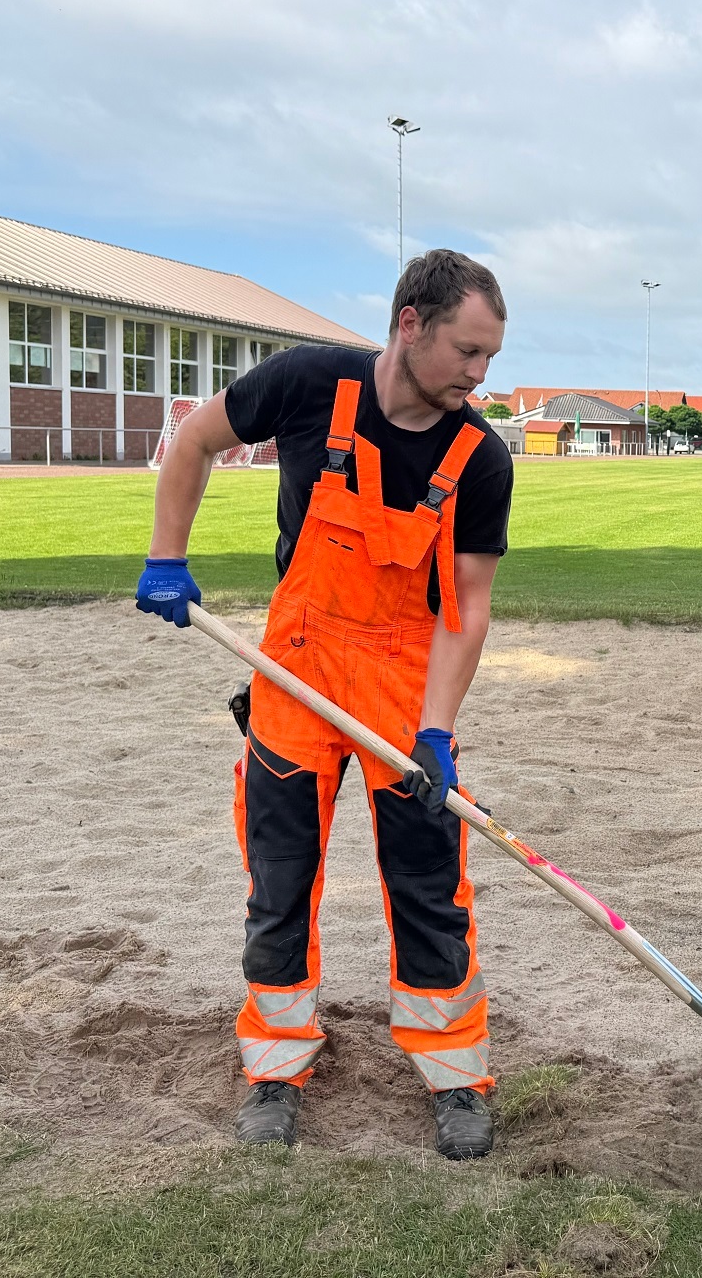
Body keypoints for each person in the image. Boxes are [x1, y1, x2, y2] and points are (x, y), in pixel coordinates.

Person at [136, 249, 514, 1159]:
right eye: (468, 351)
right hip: (296, 670)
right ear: (410, 324)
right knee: (282, 877)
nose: (479, 375)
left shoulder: (480, 458)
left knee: (429, 885)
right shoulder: (310, 384)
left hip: (400, 677)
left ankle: (454, 1077)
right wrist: (167, 556)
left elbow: (467, 608)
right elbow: (193, 438)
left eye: (491, 358)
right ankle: (275, 1066)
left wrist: (435, 730)